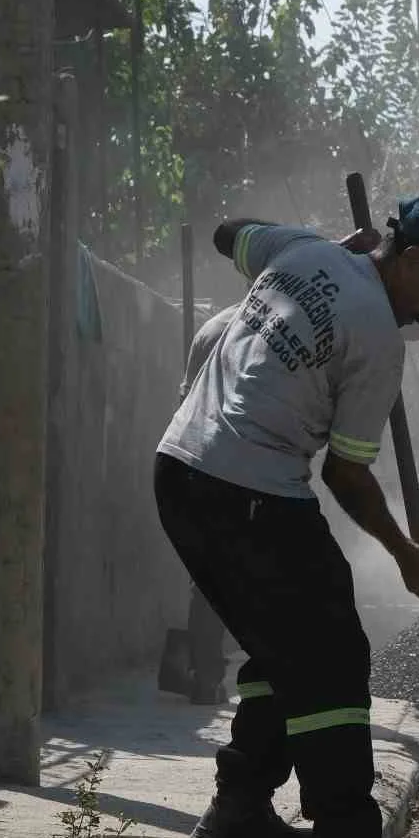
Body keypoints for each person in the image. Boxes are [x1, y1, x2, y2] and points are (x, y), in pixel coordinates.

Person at [154, 193, 419, 838]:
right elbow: (345, 473)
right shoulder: (378, 335)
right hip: (248, 487)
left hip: (181, 472)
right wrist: (405, 553)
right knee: (333, 654)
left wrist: (323, 252)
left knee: (286, 646)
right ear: (409, 259)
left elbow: (227, 232)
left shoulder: (302, 251)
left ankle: (240, 807)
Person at [177, 302, 241, 705]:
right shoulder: (261, 330)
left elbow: (185, 401)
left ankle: (205, 674)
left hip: (192, 461)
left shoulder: (212, 327)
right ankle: (211, 675)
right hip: (239, 466)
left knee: (208, 578)